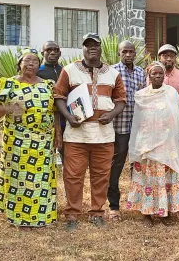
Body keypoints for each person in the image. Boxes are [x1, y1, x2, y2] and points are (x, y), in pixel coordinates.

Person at [54, 33, 127, 232]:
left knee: (101, 176)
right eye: (88, 45)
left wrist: (111, 114)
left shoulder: (112, 73)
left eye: (95, 45)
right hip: (76, 134)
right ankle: (72, 214)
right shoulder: (69, 70)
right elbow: (59, 96)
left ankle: (96, 212)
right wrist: (69, 118)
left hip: (103, 134)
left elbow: (121, 100)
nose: (92, 48)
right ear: (83, 49)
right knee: (73, 175)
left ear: (101, 48)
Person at [0, 48, 59, 229]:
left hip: (44, 139)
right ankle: (20, 218)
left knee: (41, 178)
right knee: (19, 178)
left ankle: (39, 214)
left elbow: (55, 112)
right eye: (27, 60)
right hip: (18, 139)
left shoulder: (48, 84)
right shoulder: (9, 84)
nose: (31, 64)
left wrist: (58, 133)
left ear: (39, 65)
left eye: (35, 61)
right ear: (19, 64)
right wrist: (10, 108)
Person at [126, 62, 179, 227]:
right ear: (149, 76)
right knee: (147, 178)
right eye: (154, 74)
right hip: (147, 144)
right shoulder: (141, 95)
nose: (158, 76)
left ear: (164, 75)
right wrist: (137, 145)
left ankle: (164, 212)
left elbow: (178, 118)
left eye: (160, 74)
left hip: (167, 144)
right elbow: (137, 122)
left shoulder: (172, 93)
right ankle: (146, 213)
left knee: (165, 178)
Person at [108, 40, 146, 221]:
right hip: (119, 127)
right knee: (116, 166)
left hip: (138, 128)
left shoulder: (141, 73)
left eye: (131, 52)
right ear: (119, 53)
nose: (128, 55)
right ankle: (113, 206)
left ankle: (139, 202)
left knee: (138, 166)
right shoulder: (112, 72)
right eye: (125, 52)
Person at [157, 44, 179, 209]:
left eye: (171, 55)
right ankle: (160, 199)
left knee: (178, 162)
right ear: (159, 57)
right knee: (158, 164)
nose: (168, 58)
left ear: (176, 58)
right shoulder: (153, 75)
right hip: (157, 129)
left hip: (178, 128)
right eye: (164, 55)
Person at [37, 41, 65, 164]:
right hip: (44, 119)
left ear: (60, 53)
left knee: (67, 154)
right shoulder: (37, 72)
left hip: (65, 118)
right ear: (43, 53)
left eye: (56, 50)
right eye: (49, 50)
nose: (52, 52)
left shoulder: (65, 71)